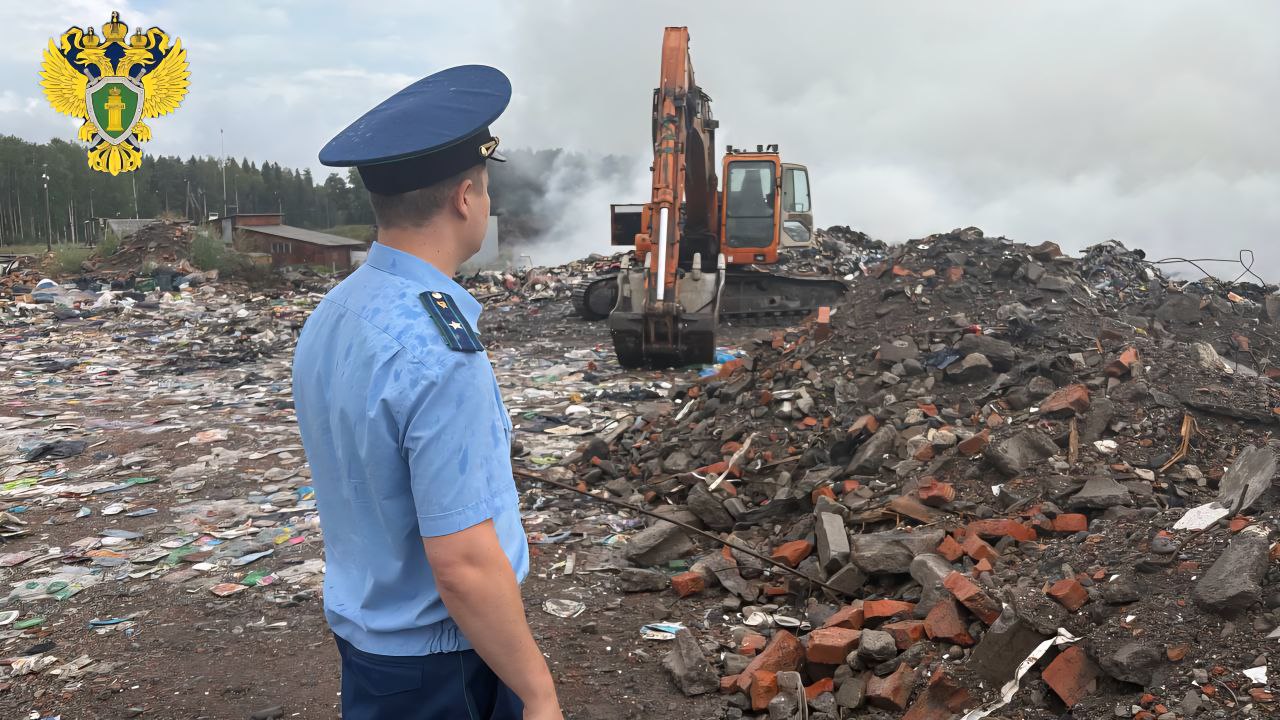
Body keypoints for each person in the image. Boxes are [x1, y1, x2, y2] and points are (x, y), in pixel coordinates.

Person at [292, 65, 562, 720]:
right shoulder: (442, 353)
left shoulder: (334, 313)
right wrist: (538, 693)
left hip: (369, 648)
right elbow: (465, 565)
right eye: (488, 188)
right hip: (444, 669)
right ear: (465, 197)